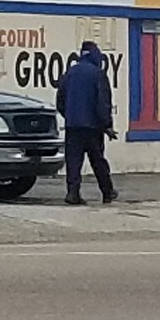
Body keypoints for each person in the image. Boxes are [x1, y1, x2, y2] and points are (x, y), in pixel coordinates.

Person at [54, 41, 118, 206]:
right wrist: (107, 126)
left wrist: (69, 115)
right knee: (97, 160)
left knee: (73, 161)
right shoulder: (98, 74)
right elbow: (103, 102)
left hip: (73, 125)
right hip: (92, 126)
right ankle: (107, 191)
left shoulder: (69, 73)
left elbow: (60, 100)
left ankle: (72, 192)